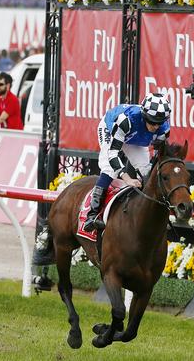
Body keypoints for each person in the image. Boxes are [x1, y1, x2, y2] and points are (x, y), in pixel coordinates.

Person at [31, 93, 171, 265]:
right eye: (151, 122)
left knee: (146, 170)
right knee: (108, 168)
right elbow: (113, 154)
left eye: (159, 123)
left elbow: (159, 156)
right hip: (110, 129)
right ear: (143, 115)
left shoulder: (163, 128)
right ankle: (91, 214)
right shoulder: (125, 120)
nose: (155, 127)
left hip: (135, 139)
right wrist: (126, 177)